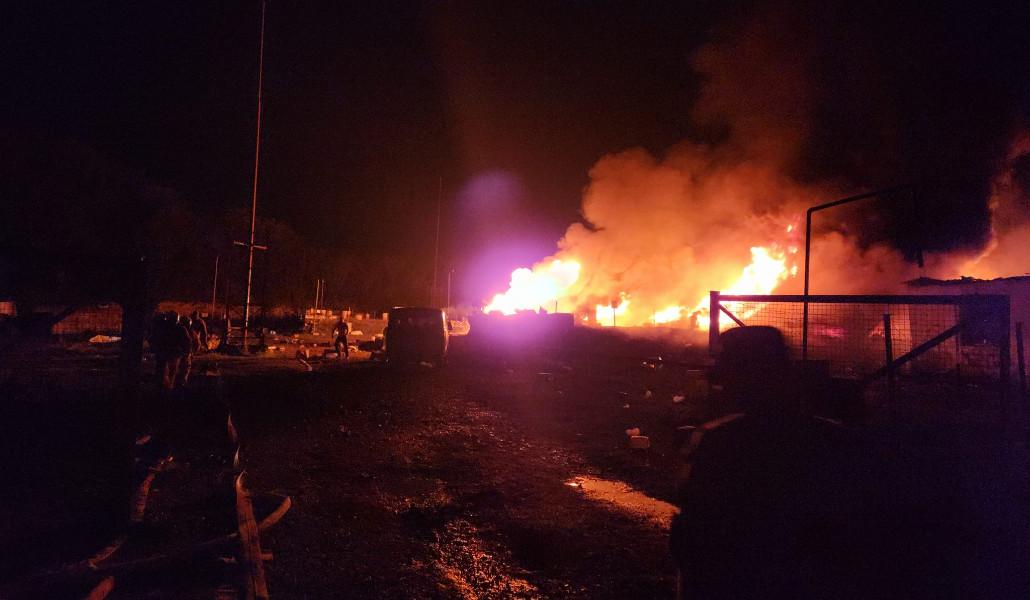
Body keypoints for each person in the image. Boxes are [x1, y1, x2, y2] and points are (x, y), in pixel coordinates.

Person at [669, 326, 855, 599]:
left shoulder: (720, 442)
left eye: (723, 365)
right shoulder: (833, 438)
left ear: (743, 373)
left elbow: (692, 538)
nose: (713, 376)